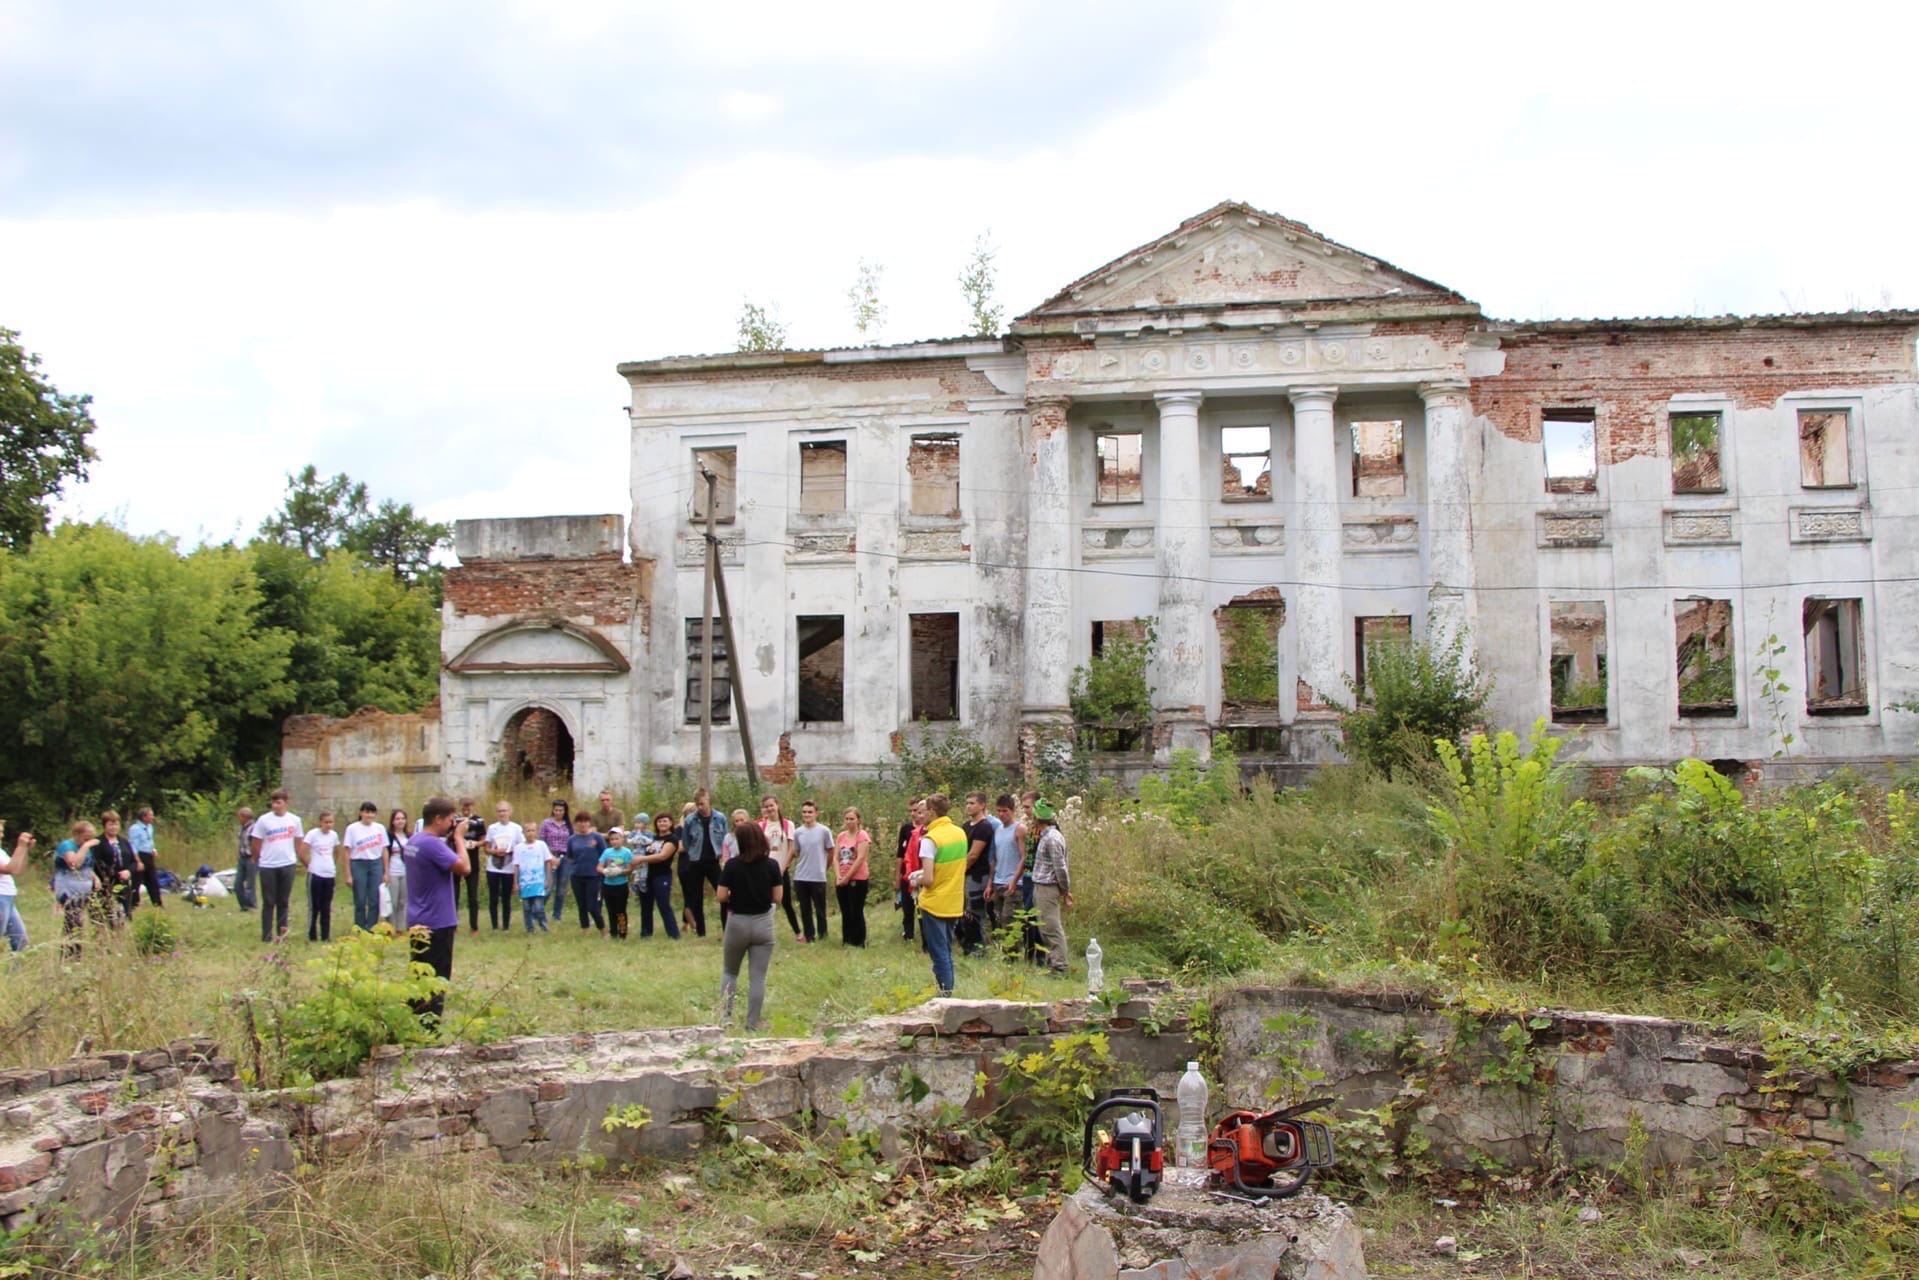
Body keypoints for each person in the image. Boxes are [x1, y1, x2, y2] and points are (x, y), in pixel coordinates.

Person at [404, 796, 471, 1025]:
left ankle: (412, 1021)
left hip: (417, 918)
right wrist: (460, 839)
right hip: (437, 922)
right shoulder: (432, 844)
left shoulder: (414, 840)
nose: (453, 824)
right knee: (437, 978)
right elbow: (464, 868)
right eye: (451, 820)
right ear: (437, 818)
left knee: (418, 974)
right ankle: (428, 1026)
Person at [717, 820, 783, 1031]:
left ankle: (725, 1018)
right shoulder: (772, 865)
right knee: (758, 977)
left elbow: (721, 896)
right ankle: (751, 1024)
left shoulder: (732, 865)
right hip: (763, 923)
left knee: (730, 971)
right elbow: (778, 897)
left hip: (738, 922)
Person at [910, 794, 967, 996]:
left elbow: (929, 879)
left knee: (938, 952)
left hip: (934, 903)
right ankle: (947, 990)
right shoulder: (960, 833)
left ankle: (945, 994)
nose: (920, 815)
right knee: (947, 950)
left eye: (923, 811)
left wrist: (915, 879)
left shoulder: (930, 839)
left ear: (932, 813)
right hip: (954, 901)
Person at [249, 789, 303, 944]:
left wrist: (298, 858)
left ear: (286, 803)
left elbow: (299, 841)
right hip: (268, 865)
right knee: (269, 901)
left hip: (287, 863)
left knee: (283, 901)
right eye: (273, 802)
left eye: (278, 802)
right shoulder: (264, 820)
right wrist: (256, 858)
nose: (275, 806)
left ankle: (282, 933)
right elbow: (256, 842)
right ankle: (266, 934)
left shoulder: (295, 820)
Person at [1030, 798, 1073, 973]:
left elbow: (1060, 867)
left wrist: (1065, 889)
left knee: (1051, 927)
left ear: (1036, 818)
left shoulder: (1053, 839)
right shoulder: (1045, 836)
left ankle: (1060, 966)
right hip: (1041, 885)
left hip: (1048, 887)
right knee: (1044, 927)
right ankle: (1052, 961)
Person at [678, 788, 727, 938]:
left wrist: (723, 857)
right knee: (696, 898)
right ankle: (701, 932)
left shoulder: (720, 818)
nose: (700, 807)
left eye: (702, 803)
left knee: (723, 895)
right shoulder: (690, 820)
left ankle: (727, 929)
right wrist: (692, 852)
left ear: (708, 800)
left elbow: (725, 839)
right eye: (697, 804)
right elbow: (685, 842)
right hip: (696, 861)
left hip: (713, 860)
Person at [52, 820, 102, 954]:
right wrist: (86, 847)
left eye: (92, 837)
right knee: (73, 922)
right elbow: (74, 864)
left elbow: (86, 865)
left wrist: (95, 878)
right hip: (69, 889)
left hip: (83, 889)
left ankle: (77, 953)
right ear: (77, 834)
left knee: (83, 920)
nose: (90, 840)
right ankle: (70, 954)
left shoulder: (85, 847)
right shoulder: (67, 846)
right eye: (87, 837)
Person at [959, 791, 999, 957]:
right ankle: (968, 945)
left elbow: (973, 855)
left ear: (983, 805)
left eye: (973, 803)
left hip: (978, 875)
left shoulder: (984, 827)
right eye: (967, 803)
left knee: (975, 913)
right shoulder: (966, 826)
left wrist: (958, 871)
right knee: (965, 913)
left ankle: (978, 949)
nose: (969, 806)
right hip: (966, 875)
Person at [758, 795, 802, 940]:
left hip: (781, 868)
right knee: (765, 902)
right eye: (766, 806)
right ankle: (764, 933)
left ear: (777, 805)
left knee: (786, 902)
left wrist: (783, 867)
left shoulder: (787, 824)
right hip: (765, 869)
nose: (770, 808)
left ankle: (798, 933)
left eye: (772, 805)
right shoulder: (761, 826)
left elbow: (791, 848)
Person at [790, 800, 833, 944]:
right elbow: (796, 851)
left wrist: (824, 867)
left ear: (816, 813)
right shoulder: (798, 832)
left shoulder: (824, 831)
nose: (807, 814)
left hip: (818, 877)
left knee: (820, 909)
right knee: (805, 908)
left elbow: (831, 850)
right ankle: (809, 936)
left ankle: (823, 935)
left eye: (810, 812)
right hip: (801, 876)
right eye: (804, 812)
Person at [985, 793, 1026, 936]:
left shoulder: (1019, 829)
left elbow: (1024, 857)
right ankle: (1004, 953)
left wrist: (1014, 880)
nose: (1002, 814)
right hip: (998, 881)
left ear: (1012, 810)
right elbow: (995, 859)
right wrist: (990, 883)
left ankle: (1013, 955)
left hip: (1013, 883)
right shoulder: (997, 830)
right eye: (999, 811)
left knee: (1010, 920)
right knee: (999, 920)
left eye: (1005, 811)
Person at [343, 802, 388, 932]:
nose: (369, 815)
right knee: (360, 899)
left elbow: (384, 850)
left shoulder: (379, 828)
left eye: (372, 812)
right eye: (367, 812)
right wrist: (348, 874)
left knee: (375, 899)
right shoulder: (352, 829)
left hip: (375, 864)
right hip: (358, 863)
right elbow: (347, 852)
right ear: (361, 813)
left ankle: (372, 927)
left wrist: (386, 872)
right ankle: (360, 927)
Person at [638, 812, 682, 940]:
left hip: (662, 876)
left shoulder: (672, 839)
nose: (662, 823)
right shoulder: (653, 838)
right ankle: (645, 934)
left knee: (663, 905)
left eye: (665, 821)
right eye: (659, 821)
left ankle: (674, 935)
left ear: (670, 823)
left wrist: (641, 859)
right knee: (646, 905)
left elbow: (662, 856)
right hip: (648, 875)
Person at [834, 807, 871, 948]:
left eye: (852, 819)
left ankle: (859, 940)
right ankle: (847, 939)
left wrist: (847, 877)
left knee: (856, 909)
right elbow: (836, 858)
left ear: (858, 820)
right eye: (847, 819)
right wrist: (838, 876)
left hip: (858, 878)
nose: (849, 822)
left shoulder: (862, 836)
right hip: (841, 876)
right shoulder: (841, 836)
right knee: (845, 910)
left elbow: (860, 858)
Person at [302, 809, 340, 942]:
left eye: (331, 822)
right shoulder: (312, 834)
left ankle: (325, 935)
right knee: (314, 906)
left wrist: (332, 865)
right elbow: (302, 853)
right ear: (320, 822)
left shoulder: (334, 836)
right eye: (326, 822)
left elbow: (336, 852)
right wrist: (310, 866)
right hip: (315, 874)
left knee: (326, 906)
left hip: (329, 874)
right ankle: (312, 934)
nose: (328, 825)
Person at [95, 811, 141, 922]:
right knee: (108, 914)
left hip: (124, 883)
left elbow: (134, 862)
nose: (114, 827)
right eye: (110, 824)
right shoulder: (98, 843)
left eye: (116, 824)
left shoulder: (124, 842)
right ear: (104, 826)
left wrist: (129, 871)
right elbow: (98, 863)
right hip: (107, 883)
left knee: (125, 914)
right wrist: (115, 874)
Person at [566, 812, 607, 933]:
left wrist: (601, 869)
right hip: (577, 875)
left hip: (593, 876)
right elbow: (570, 856)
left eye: (585, 821)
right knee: (581, 905)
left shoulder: (596, 837)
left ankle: (603, 929)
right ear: (576, 824)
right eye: (580, 821)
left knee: (592, 906)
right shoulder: (571, 839)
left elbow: (604, 855)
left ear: (589, 823)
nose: (583, 824)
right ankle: (585, 930)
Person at [512, 822, 556, 933]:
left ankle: (544, 927)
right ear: (524, 833)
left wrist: (548, 879)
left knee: (538, 907)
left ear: (536, 832)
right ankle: (530, 929)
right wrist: (515, 883)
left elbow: (548, 862)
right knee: (527, 908)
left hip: (539, 882)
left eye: (532, 830)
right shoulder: (518, 848)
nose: (530, 833)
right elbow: (516, 866)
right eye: (528, 831)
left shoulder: (541, 845)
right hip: (525, 883)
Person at [484, 801, 520, 931]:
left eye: (504, 811)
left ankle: (506, 926)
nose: (502, 813)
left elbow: (521, 847)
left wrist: (512, 851)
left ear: (510, 812)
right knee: (493, 897)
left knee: (506, 898)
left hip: (509, 867)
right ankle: (494, 925)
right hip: (493, 867)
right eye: (500, 811)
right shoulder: (492, 828)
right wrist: (495, 851)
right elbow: (486, 848)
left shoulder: (516, 828)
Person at [0, 822, 34, 952]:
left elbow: (19, 869)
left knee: (20, 940)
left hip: (8, 898)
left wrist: (25, 850)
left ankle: (15, 972)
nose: (2, 835)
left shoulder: (1, 852)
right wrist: (20, 846)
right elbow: (10, 869)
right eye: (0, 831)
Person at [598, 828, 635, 940]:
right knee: (611, 910)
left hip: (621, 885)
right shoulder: (607, 852)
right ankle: (613, 933)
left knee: (621, 911)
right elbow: (599, 866)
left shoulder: (626, 852)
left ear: (622, 839)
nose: (614, 841)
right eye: (612, 839)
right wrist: (605, 871)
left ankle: (622, 933)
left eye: (617, 839)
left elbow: (629, 869)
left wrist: (619, 872)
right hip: (608, 885)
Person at [894, 799, 923, 943]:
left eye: (916, 810)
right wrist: (897, 877)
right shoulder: (906, 829)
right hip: (907, 873)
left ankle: (926, 934)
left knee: (923, 906)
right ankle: (908, 934)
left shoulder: (928, 829)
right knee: (907, 906)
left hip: (923, 872)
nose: (913, 814)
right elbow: (900, 854)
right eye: (910, 811)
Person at [455, 798, 486, 934]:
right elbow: (451, 836)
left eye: (469, 808)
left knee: (472, 896)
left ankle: (474, 927)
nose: (466, 811)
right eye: (464, 808)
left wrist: (476, 844)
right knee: (454, 895)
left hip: (472, 861)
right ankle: (453, 926)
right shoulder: (455, 820)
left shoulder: (479, 821)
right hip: (456, 860)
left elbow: (484, 839)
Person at [539, 800, 573, 923]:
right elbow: (541, 842)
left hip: (565, 858)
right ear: (553, 810)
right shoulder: (546, 824)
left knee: (561, 888)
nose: (558, 812)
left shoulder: (568, 825)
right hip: (550, 857)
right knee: (548, 886)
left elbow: (571, 843)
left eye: (561, 810)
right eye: (556, 810)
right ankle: (538, 911)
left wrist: (565, 858)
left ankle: (557, 915)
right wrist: (550, 857)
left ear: (565, 811)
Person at [127, 807, 164, 909]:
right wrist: (137, 861)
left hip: (148, 855)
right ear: (144, 817)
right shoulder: (135, 829)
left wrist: (153, 849)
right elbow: (133, 845)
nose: (152, 817)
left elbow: (149, 840)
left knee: (152, 880)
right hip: (139, 855)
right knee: (136, 881)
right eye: (150, 815)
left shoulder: (150, 827)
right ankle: (133, 903)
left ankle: (157, 903)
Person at [385, 808, 411, 931]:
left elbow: (413, 854)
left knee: (402, 902)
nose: (400, 821)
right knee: (392, 902)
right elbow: (385, 853)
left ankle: (399, 928)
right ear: (393, 821)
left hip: (405, 872)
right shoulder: (389, 836)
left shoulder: (409, 836)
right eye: (397, 819)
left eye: (402, 818)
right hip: (392, 872)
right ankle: (389, 928)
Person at [232, 805, 258, 912]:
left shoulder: (254, 828)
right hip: (242, 858)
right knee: (238, 883)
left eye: (239, 816)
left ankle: (251, 905)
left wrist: (254, 856)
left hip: (251, 858)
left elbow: (255, 843)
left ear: (244, 817)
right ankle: (243, 904)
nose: (238, 819)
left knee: (250, 883)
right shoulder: (242, 828)